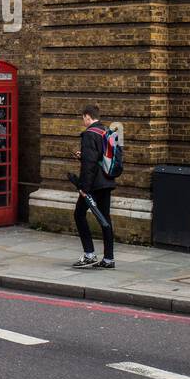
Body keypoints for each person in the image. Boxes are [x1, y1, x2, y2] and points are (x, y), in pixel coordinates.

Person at [71, 104, 116, 270]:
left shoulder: (89, 134)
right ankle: (109, 258)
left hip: (93, 184)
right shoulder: (106, 131)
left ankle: (89, 254)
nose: (83, 121)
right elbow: (99, 157)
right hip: (107, 181)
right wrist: (83, 156)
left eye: (83, 118)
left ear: (87, 116)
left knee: (79, 214)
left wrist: (84, 187)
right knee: (105, 219)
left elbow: (89, 165)